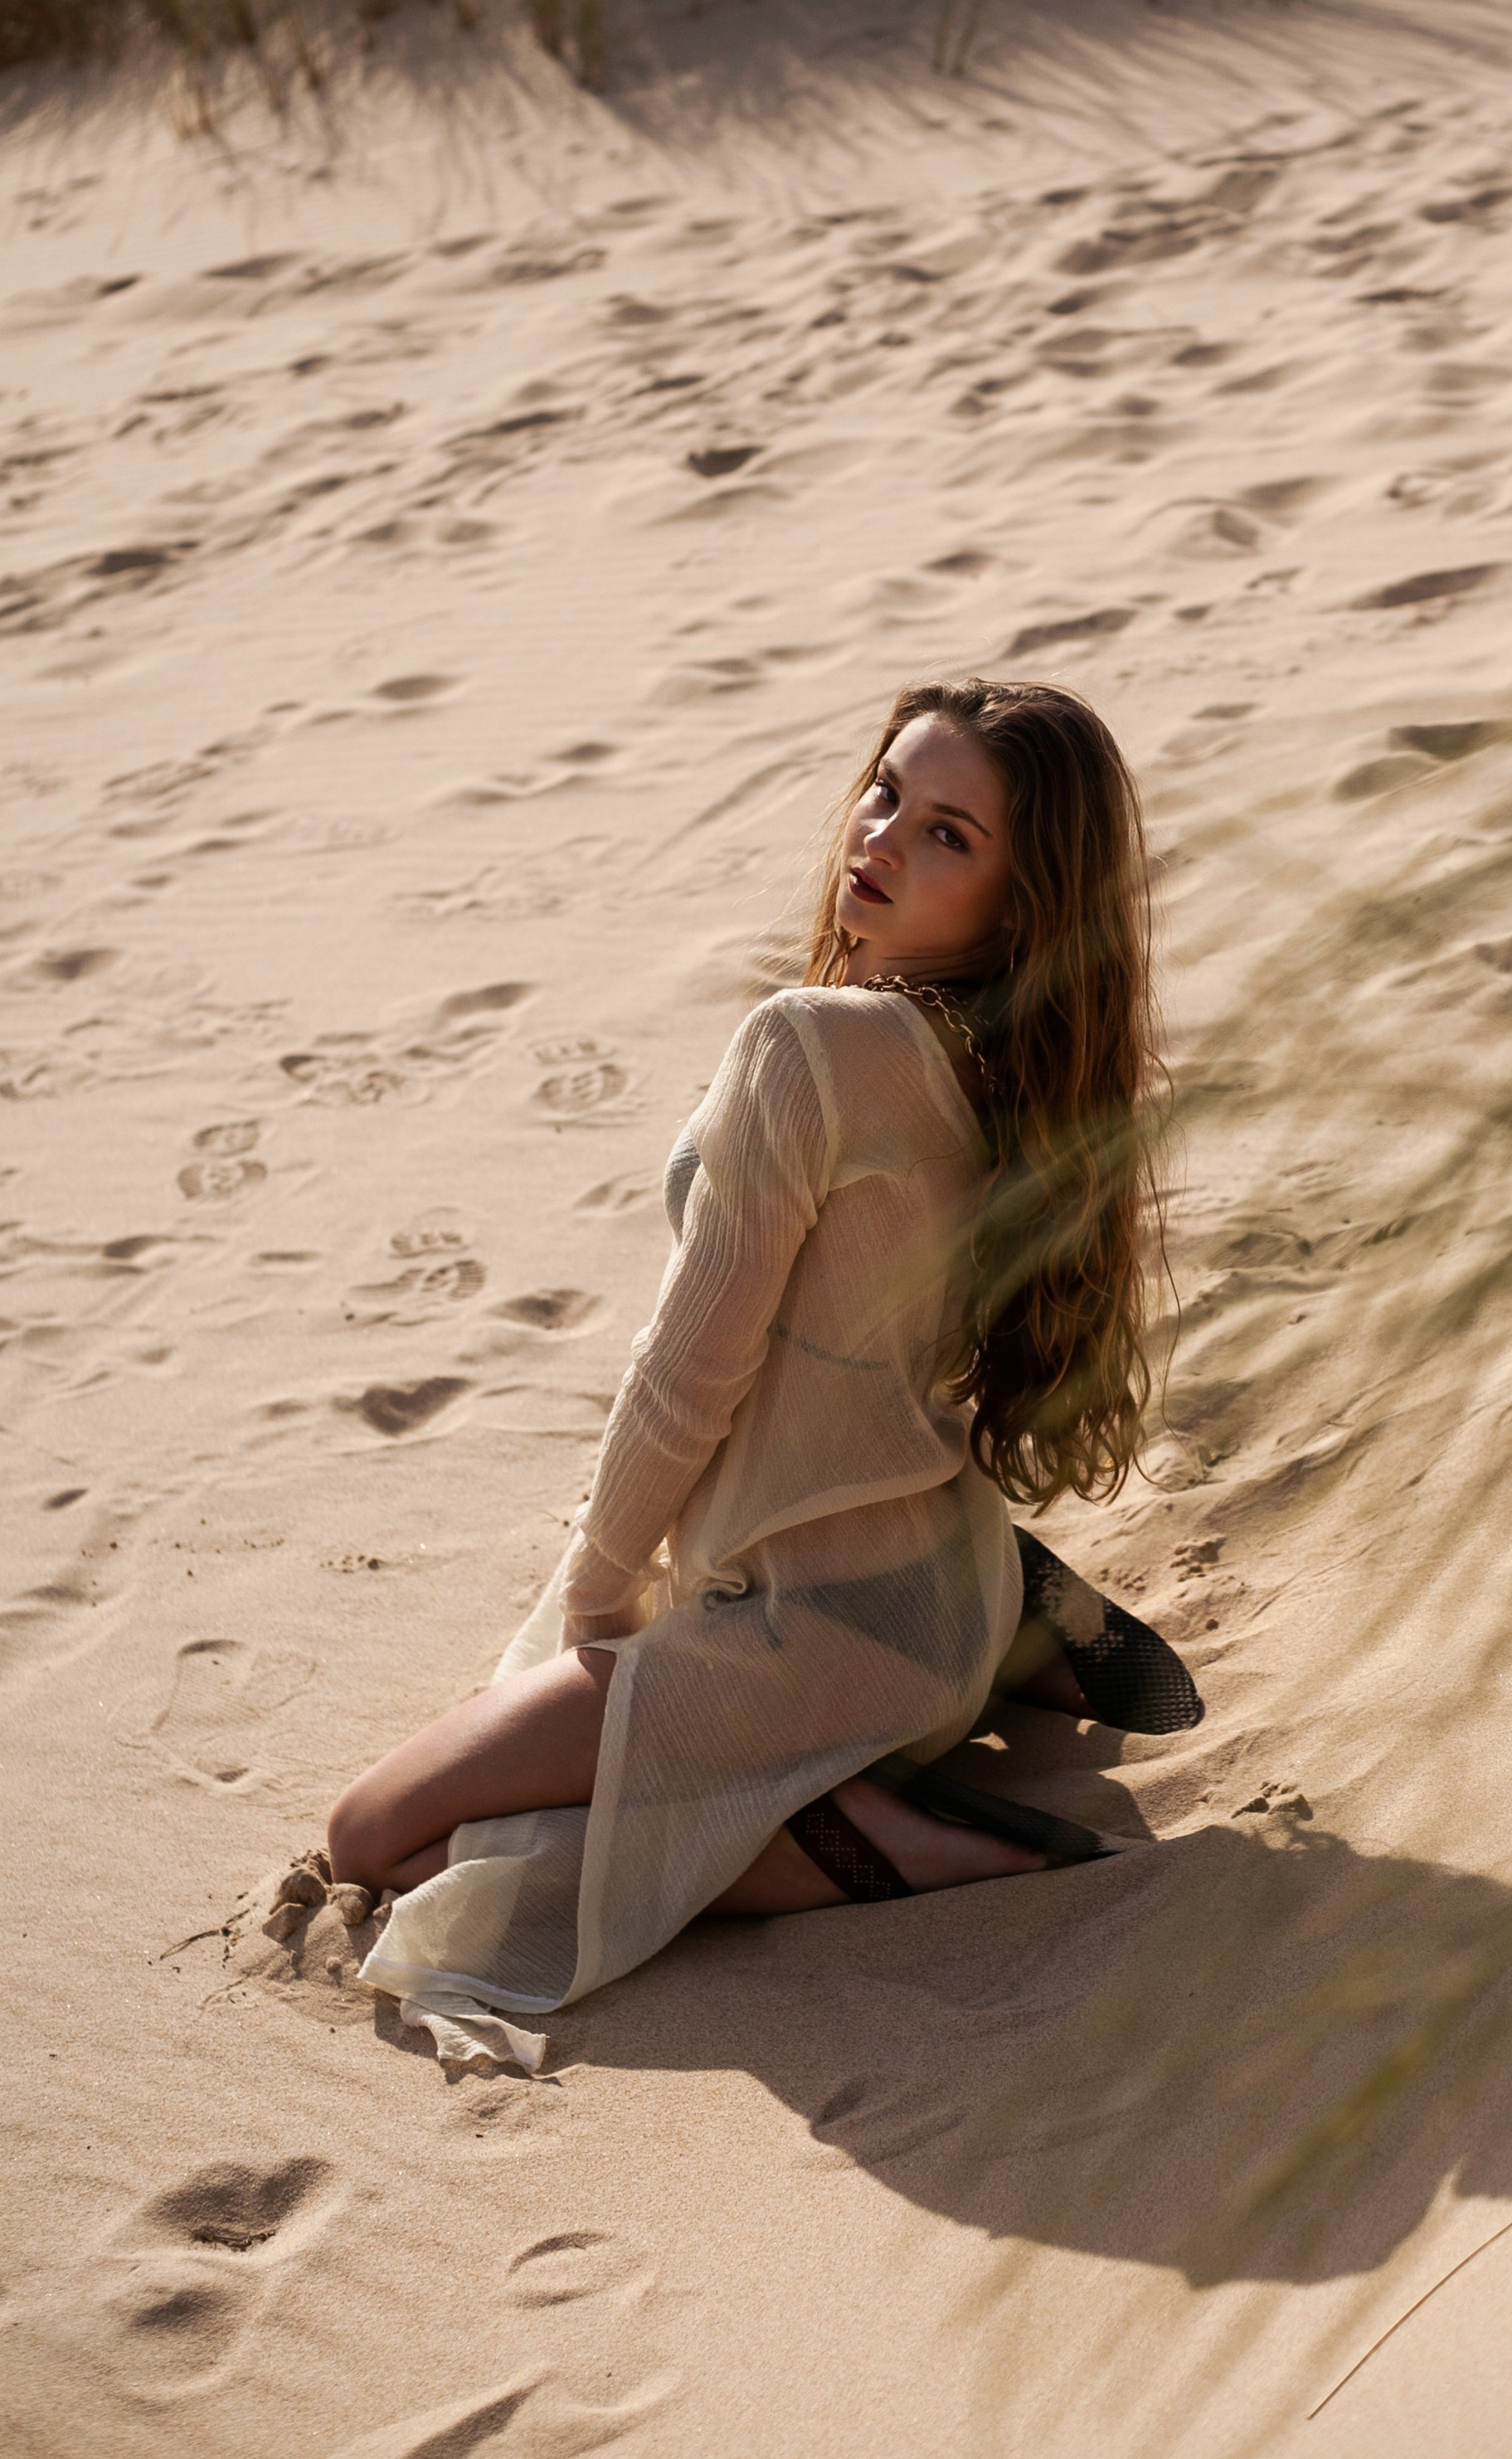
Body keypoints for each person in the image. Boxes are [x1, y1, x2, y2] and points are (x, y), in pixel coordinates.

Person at [314, 678, 1203, 2067]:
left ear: (1021, 901)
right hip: (933, 1601)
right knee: (514, 1814)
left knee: (379, 1841)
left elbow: (689, 1376)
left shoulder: (810, 1044)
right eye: (888, 792)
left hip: (795, 1636)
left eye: (950, 834)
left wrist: (606, 1611)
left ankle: (896, 1839)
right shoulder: (1032, 1070)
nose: (883, 835)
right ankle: (991, 1631)